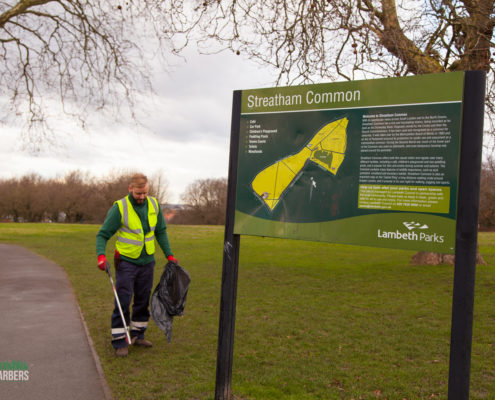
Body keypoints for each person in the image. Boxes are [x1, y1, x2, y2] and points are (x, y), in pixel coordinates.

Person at [96, 173, 178, 357]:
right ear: (130, 189)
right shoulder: (120, 208)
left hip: (147, 262)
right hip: (126, 262)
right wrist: (101, 256)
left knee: (142, 300)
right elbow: (102, 235)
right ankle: (119, 341)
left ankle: (138, 334)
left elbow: (161, 232)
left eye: (145, 193)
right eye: (138, 193)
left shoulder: (154, 205)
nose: (142, 197)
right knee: (123, 300)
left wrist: (169, 255)